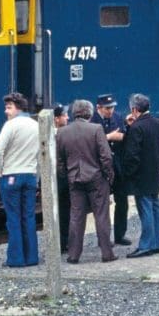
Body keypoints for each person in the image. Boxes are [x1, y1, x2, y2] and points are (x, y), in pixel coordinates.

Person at [56, 99, 117, 264]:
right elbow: (105, 156)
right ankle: (107, 253)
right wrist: (109, 176)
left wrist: (67, 175)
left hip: (75, 179)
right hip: (96, 179)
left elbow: (59, 161)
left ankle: (74, 254)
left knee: (76, 216)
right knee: (101, 215)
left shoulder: (62, 133)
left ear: (74, 113)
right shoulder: (96, 129)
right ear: (89, 113)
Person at [0, 92, 39, 267]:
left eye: (9, 107)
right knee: (29, 217)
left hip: (11, 176)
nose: (6, 111)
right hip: (30, 176)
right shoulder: (35, 125)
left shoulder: (10, 126)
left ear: (19, 107)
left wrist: (0, 171)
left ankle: (16, 259)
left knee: (13, 218)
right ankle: (32, 257)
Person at [122, 93, 159, 258]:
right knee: (155, 207)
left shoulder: (136, 128)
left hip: (141, 177)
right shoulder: (158, 123)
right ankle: (156, 243)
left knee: (145, 209)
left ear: (134, 109)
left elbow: (132, 155)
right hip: (155, 174)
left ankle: (145, 245)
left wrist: (128, 173)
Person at [91, 94, 131, 246]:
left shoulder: (118, 117)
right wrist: (109, 137)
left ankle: (120, 234)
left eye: (112, 107)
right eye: (107, 108)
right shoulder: (93, 121)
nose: (110, 111)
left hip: (118, 167)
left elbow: (123, 136)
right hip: (101, 168)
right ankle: (104, 238)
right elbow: (90, 142)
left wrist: (123, 135)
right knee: (102, 205)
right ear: (99, 108)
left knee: (122, 201)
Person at [53, 103, 70, 253]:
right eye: (65, 115)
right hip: (61, 178)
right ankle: (63, 243)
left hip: (58, 176)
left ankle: (62, 242)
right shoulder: (61, 134)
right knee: (64, 211)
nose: (67, 117)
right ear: (57, 119)